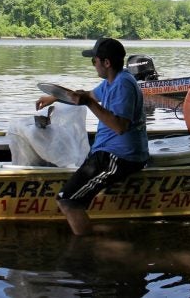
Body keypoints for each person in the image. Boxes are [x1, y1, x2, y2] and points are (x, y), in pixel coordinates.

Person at [36, 37, 148, 235]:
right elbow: (86, 96)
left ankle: (87, 251)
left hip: (119, 156)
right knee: (71, 193)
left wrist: (89, 103)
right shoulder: (111, 82)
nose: (93, 65)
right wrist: (53, 97)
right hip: (107, 151)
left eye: (94, 61)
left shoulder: (123, 85)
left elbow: (120, 126)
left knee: (67, 200)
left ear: (106, 63)